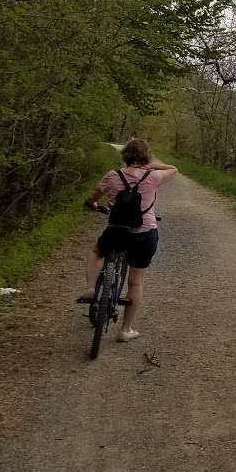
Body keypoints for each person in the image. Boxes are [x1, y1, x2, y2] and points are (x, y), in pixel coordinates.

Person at [78, 138, 178, 342]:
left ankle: (91, 289)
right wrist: (151, 166)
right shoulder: (153, 176)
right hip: (145, 234)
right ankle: (125, 330)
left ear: (124, 156)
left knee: (98, 252)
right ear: (146, 157)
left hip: (117, 231)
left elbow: (94, 197)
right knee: (136, 283)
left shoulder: (113, 175)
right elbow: (174, 169)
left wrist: (93, 204)